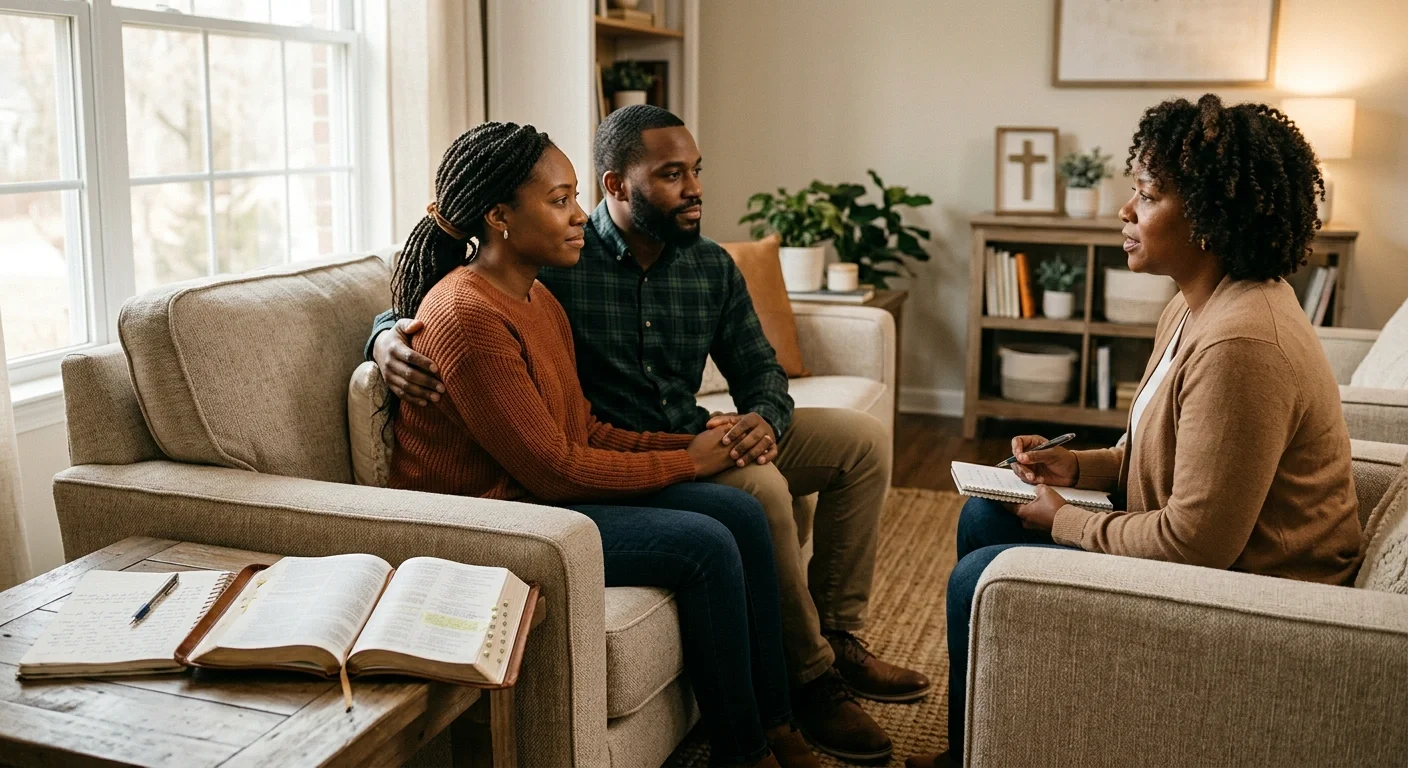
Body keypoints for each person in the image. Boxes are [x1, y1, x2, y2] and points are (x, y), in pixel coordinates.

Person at [370, 105, 927, 762]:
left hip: (607, 457)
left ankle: (789, 706)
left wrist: (743, 431)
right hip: (516, 507)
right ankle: (764, 730)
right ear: (617, 187)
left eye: (695, 172)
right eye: (671, 174)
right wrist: (383, 336)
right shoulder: (537, 276)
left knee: (813, 468)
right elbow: (540, 450)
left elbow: (744, 377)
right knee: (728, 523)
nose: (694, 188)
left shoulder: (569, 285)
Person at [907, 94, 1366, 768]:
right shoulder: (1194, 306)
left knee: (979, 574)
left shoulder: (1243, 343)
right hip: (1215, 557)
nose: (1125, 212)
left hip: (1259, 597)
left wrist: (1065, 520)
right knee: (987, 519)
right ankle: (980, 743)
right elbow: (1162, 454)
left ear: (1210, 215)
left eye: (1147, 196)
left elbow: (1194, 544)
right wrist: (1079, 469)